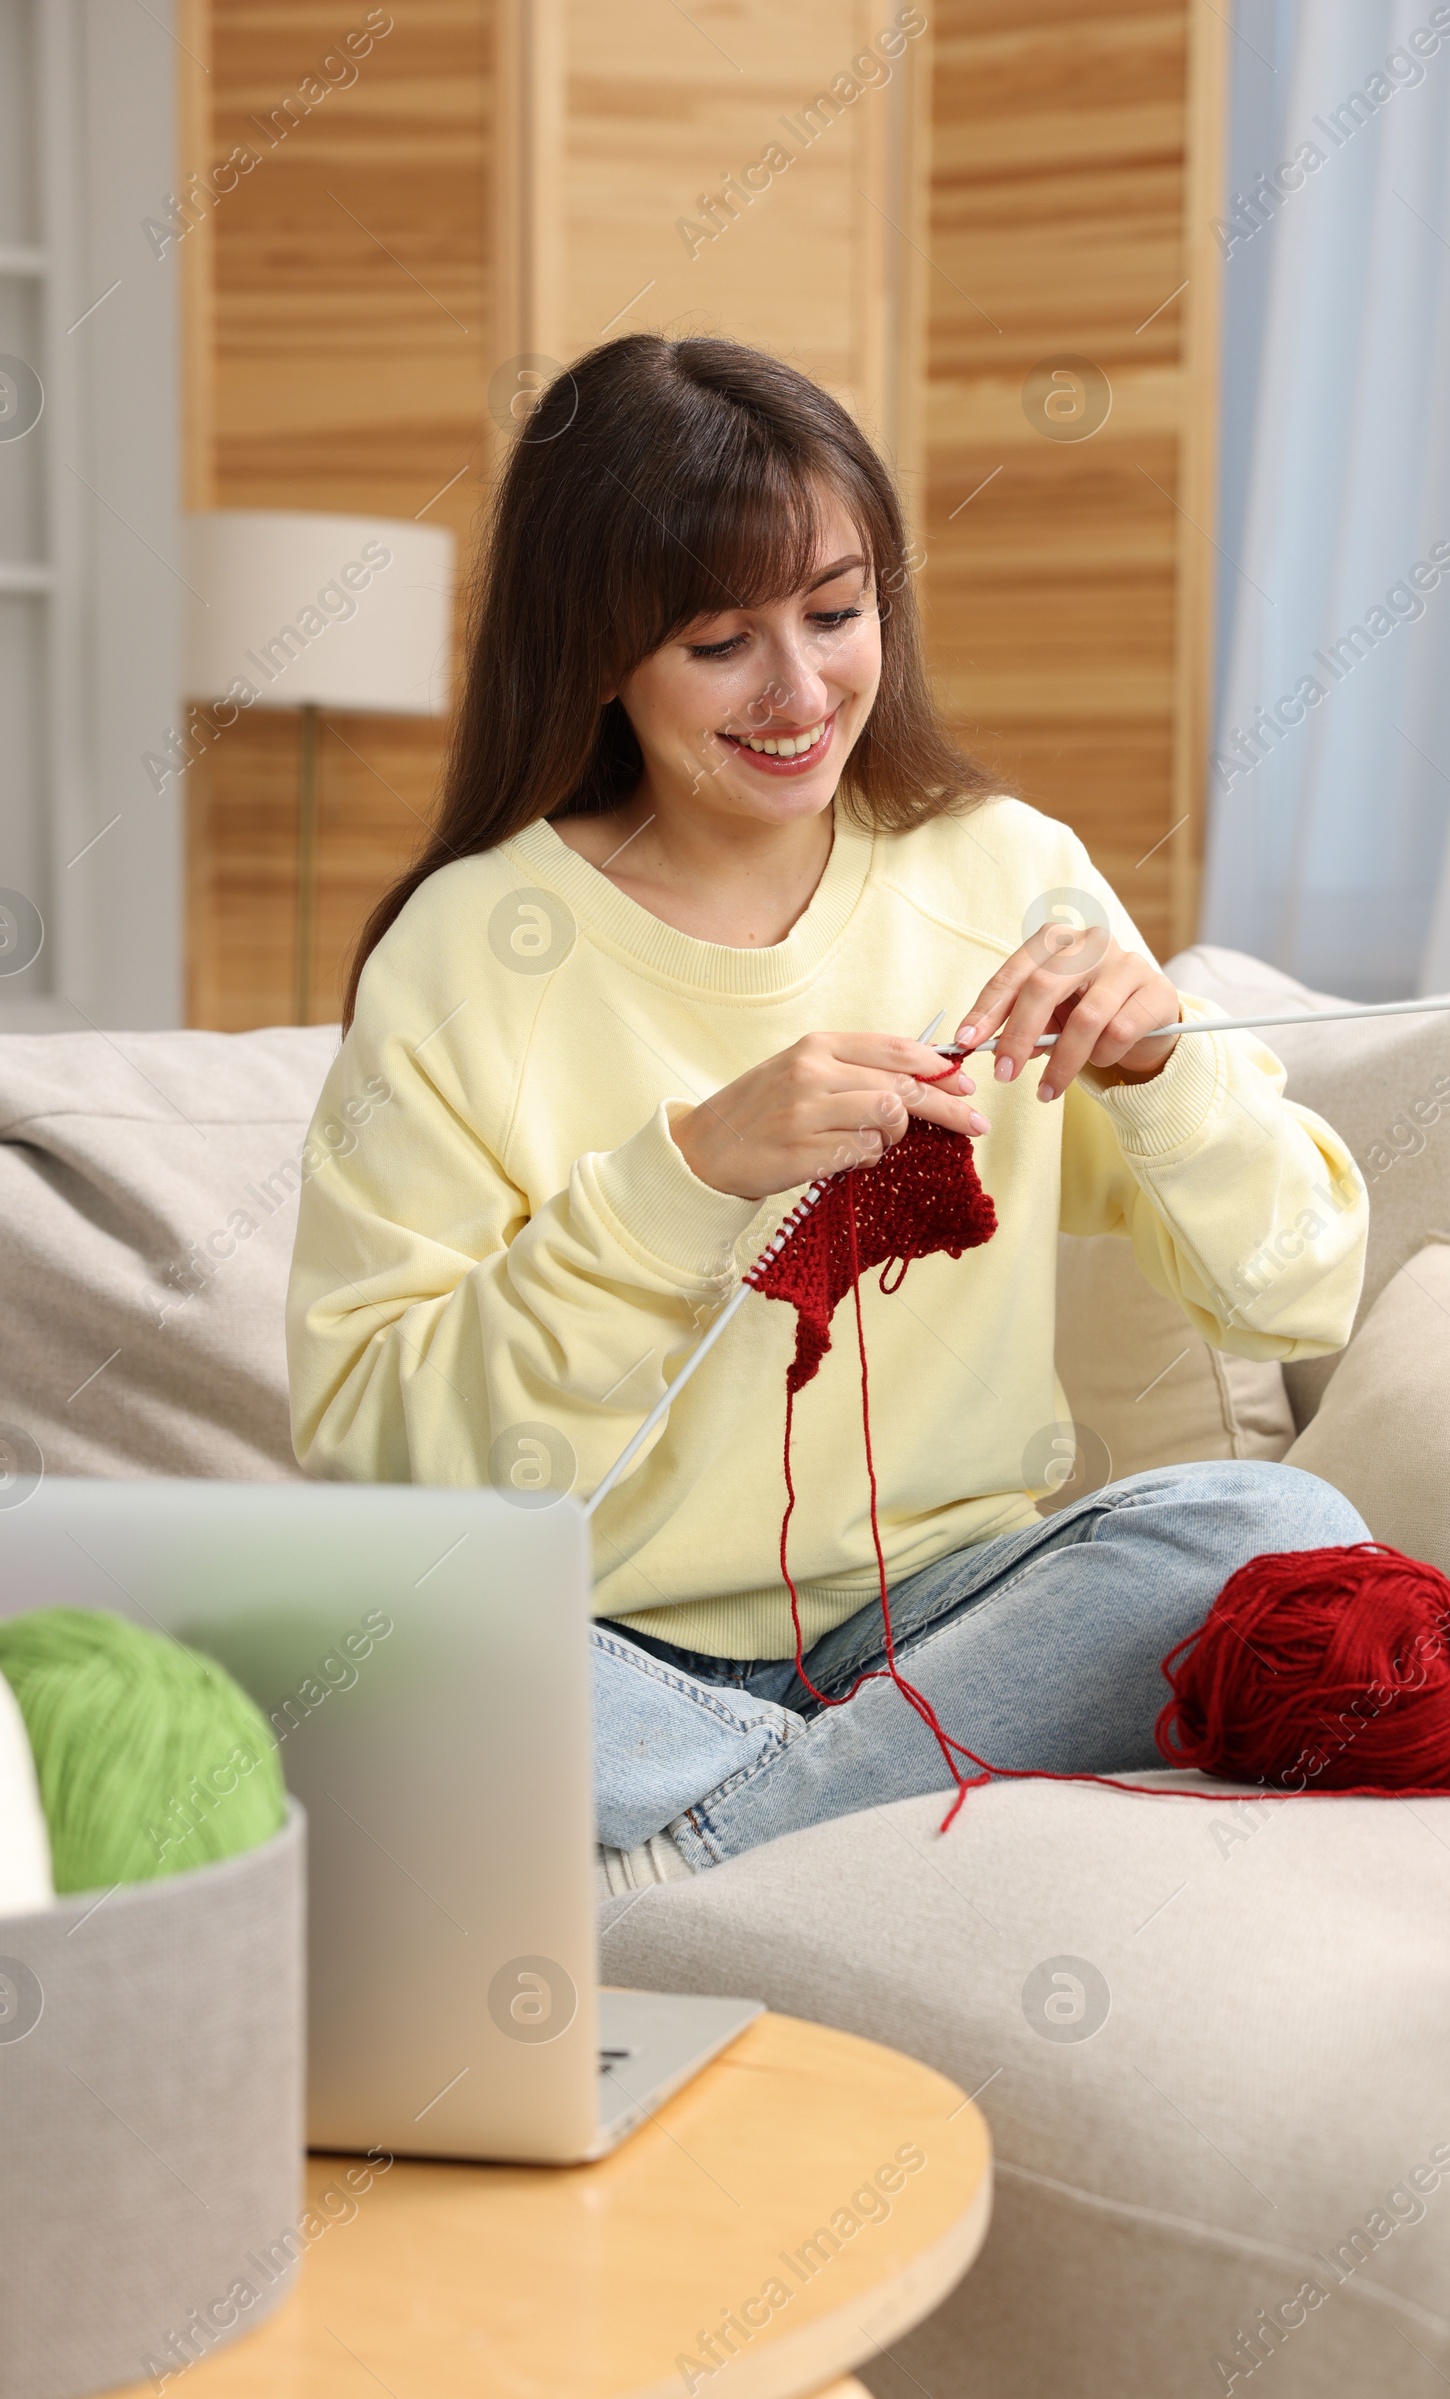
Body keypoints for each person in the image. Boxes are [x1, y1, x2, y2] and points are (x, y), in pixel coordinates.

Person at [287, 333, 1370, 1886]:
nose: (802, 692)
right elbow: (376, 1455)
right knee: (316, 1638)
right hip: (597, 1649)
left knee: (1280, 1525)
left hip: (955, 1618)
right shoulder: (467, 949)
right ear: (597, 648)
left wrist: (1166, 1071)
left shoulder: (1004, 870)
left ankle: (708, 1853)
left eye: (839, 612)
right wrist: (681, 1179)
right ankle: (840, 1815)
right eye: (720, 641)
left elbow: (1297, 1292)